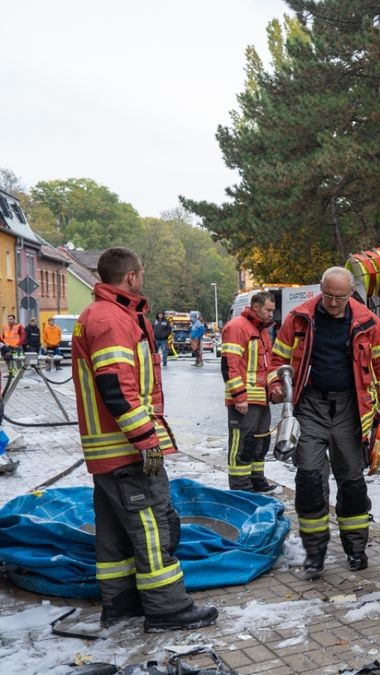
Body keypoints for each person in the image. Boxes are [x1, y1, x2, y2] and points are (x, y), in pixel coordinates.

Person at [71, 247, 218, 633]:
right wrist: (146, 439)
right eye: (142, 273)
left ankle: (121, 606)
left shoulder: (99, 315)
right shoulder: (112, 318)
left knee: (115, 536)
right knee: (154, 528)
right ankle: (167, 608)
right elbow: (116, 387)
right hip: (126, 451)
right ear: (132, 277)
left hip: (106, 453)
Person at [268, 267, 380, 578]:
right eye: (328, 295)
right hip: (311, 406)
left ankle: (355, 549)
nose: (333, 302)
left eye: (340, 297)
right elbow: (278, 360)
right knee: (311, 478)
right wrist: (275, 385)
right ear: (321, 290)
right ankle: (315, 553)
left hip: (350, 410)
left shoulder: (367, 322)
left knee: (352, 481)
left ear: (351, 292)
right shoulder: (300, 318)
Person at [221, 291, 278, 493]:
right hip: (244, 400)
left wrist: (274, 388)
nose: (272, 314)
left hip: (261, 399)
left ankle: (256, 480)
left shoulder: (261, 330)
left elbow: (267, 366)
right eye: (268, 310)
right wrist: (239, 397)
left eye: (272, 310)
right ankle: (241, 487)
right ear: (255, 306)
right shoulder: (237, 327)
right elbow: (230, 365)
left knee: (261, 441)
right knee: (242, 444)